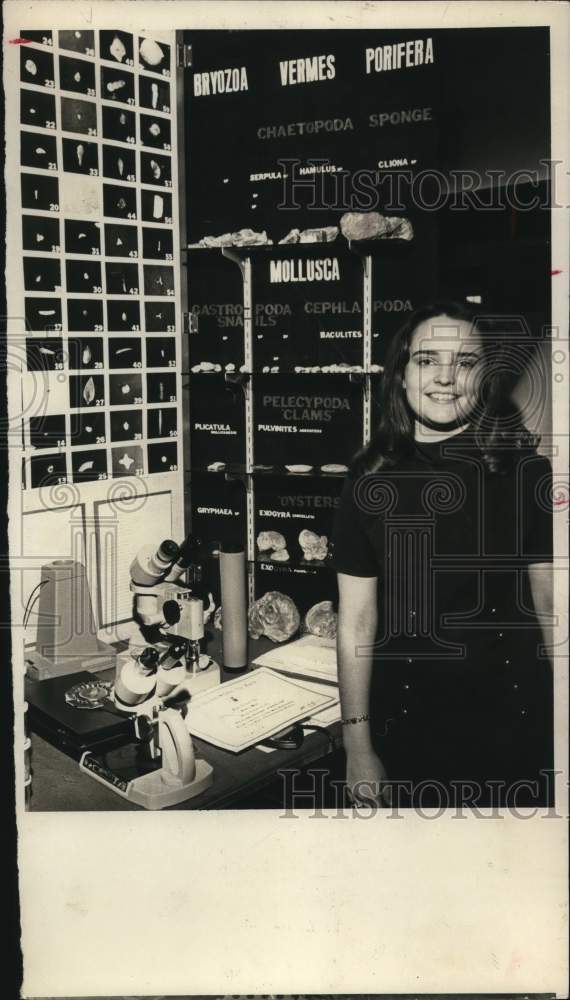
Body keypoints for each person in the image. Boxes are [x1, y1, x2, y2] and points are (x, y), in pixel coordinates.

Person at [332, 301, 554, 809]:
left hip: (513, 727)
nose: (446, 377)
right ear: (402, 372)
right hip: (409, 725)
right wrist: (357, 746)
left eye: (466, 362)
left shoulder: (525, 474)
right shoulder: (367, 481)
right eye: (428, 359)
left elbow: (550, 605)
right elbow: (357, 620)